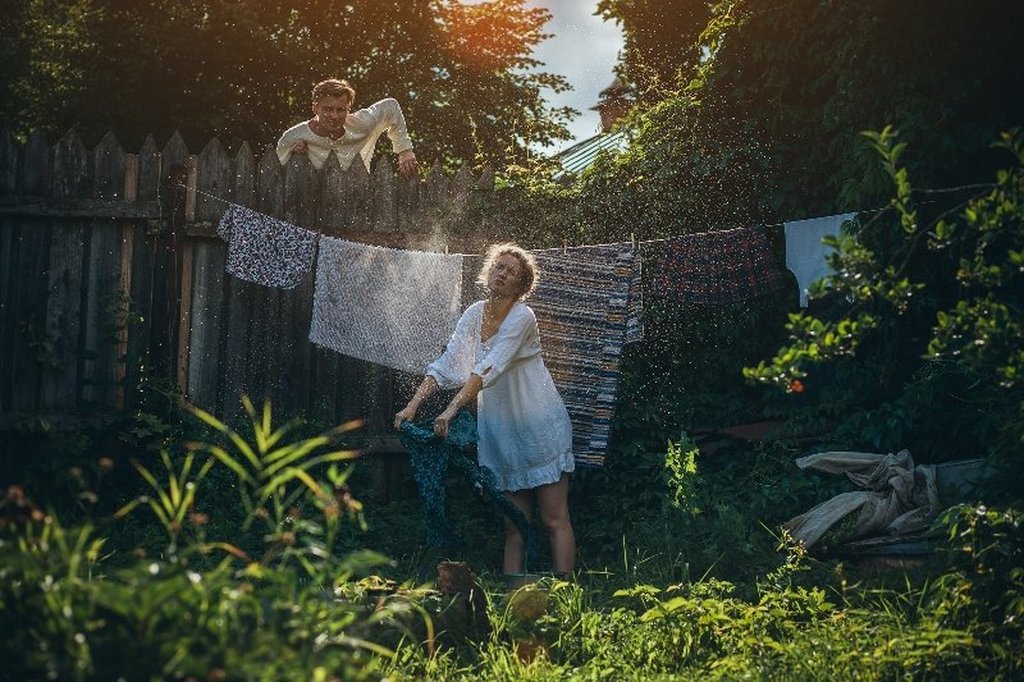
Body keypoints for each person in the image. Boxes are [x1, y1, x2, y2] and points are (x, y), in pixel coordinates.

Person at [393, 243, 577, 576]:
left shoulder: (523, 316)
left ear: (521, 285)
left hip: (540, 428)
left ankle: (568, 595)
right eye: (499, 266)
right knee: (513, 527)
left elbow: (490, 366)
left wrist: (451, 409)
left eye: (512, 272)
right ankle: (513, 596)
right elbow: (448, 362)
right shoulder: (474, 313)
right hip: (501, 435)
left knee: (553, 519)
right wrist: (413, 404)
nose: (502, 274)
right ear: (488, 270)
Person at [276, 78, 419, 176]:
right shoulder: (293, 137)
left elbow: (391, 106)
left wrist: (404, 151)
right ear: (315, 108)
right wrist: (293, 158)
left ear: (348, 109)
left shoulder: (362, 124)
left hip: (358, 195)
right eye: (328, 109)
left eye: (341, 110)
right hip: (313, 202)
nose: (334, 116)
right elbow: (275, 176)